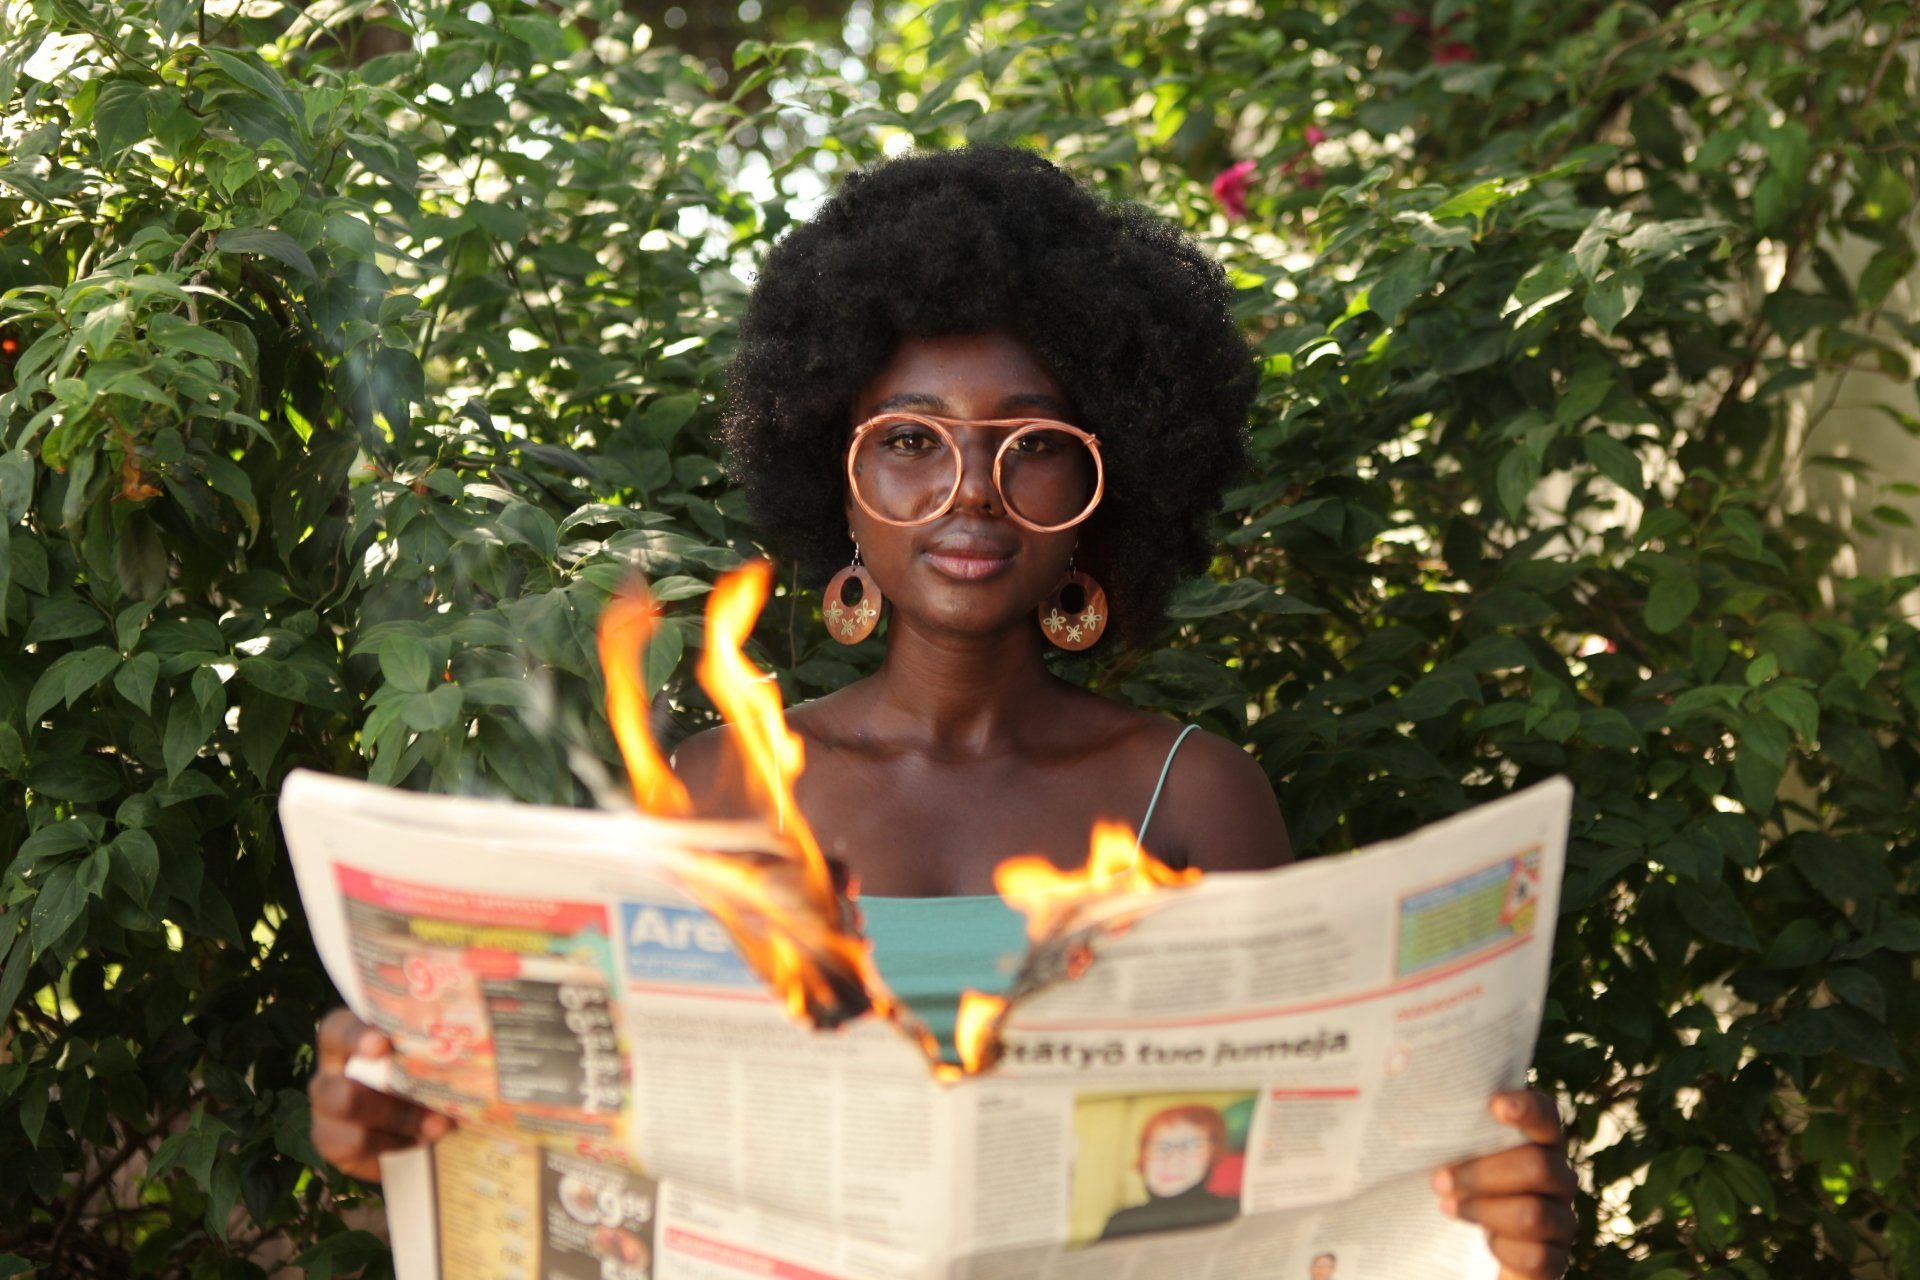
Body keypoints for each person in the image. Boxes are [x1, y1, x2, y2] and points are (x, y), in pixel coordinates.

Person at [309, 145, 1579, 1277]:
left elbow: (1307, 1193)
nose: (969, 490)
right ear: (836, 476)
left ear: (1106, 484)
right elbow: (599, 1158)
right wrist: (401, 1119)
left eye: (1030, 445)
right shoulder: (711, 786)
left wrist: (1482, 1226)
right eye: (911, 440)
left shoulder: (1192, 793)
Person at [1096, 1104, 1240, 1241]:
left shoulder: (1233, 1211)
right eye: (1161, 1147)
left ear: (1214, 1154)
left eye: (1192, 1146)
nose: (1173, 1159)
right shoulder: (1122, 1222)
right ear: (1143, 1159)